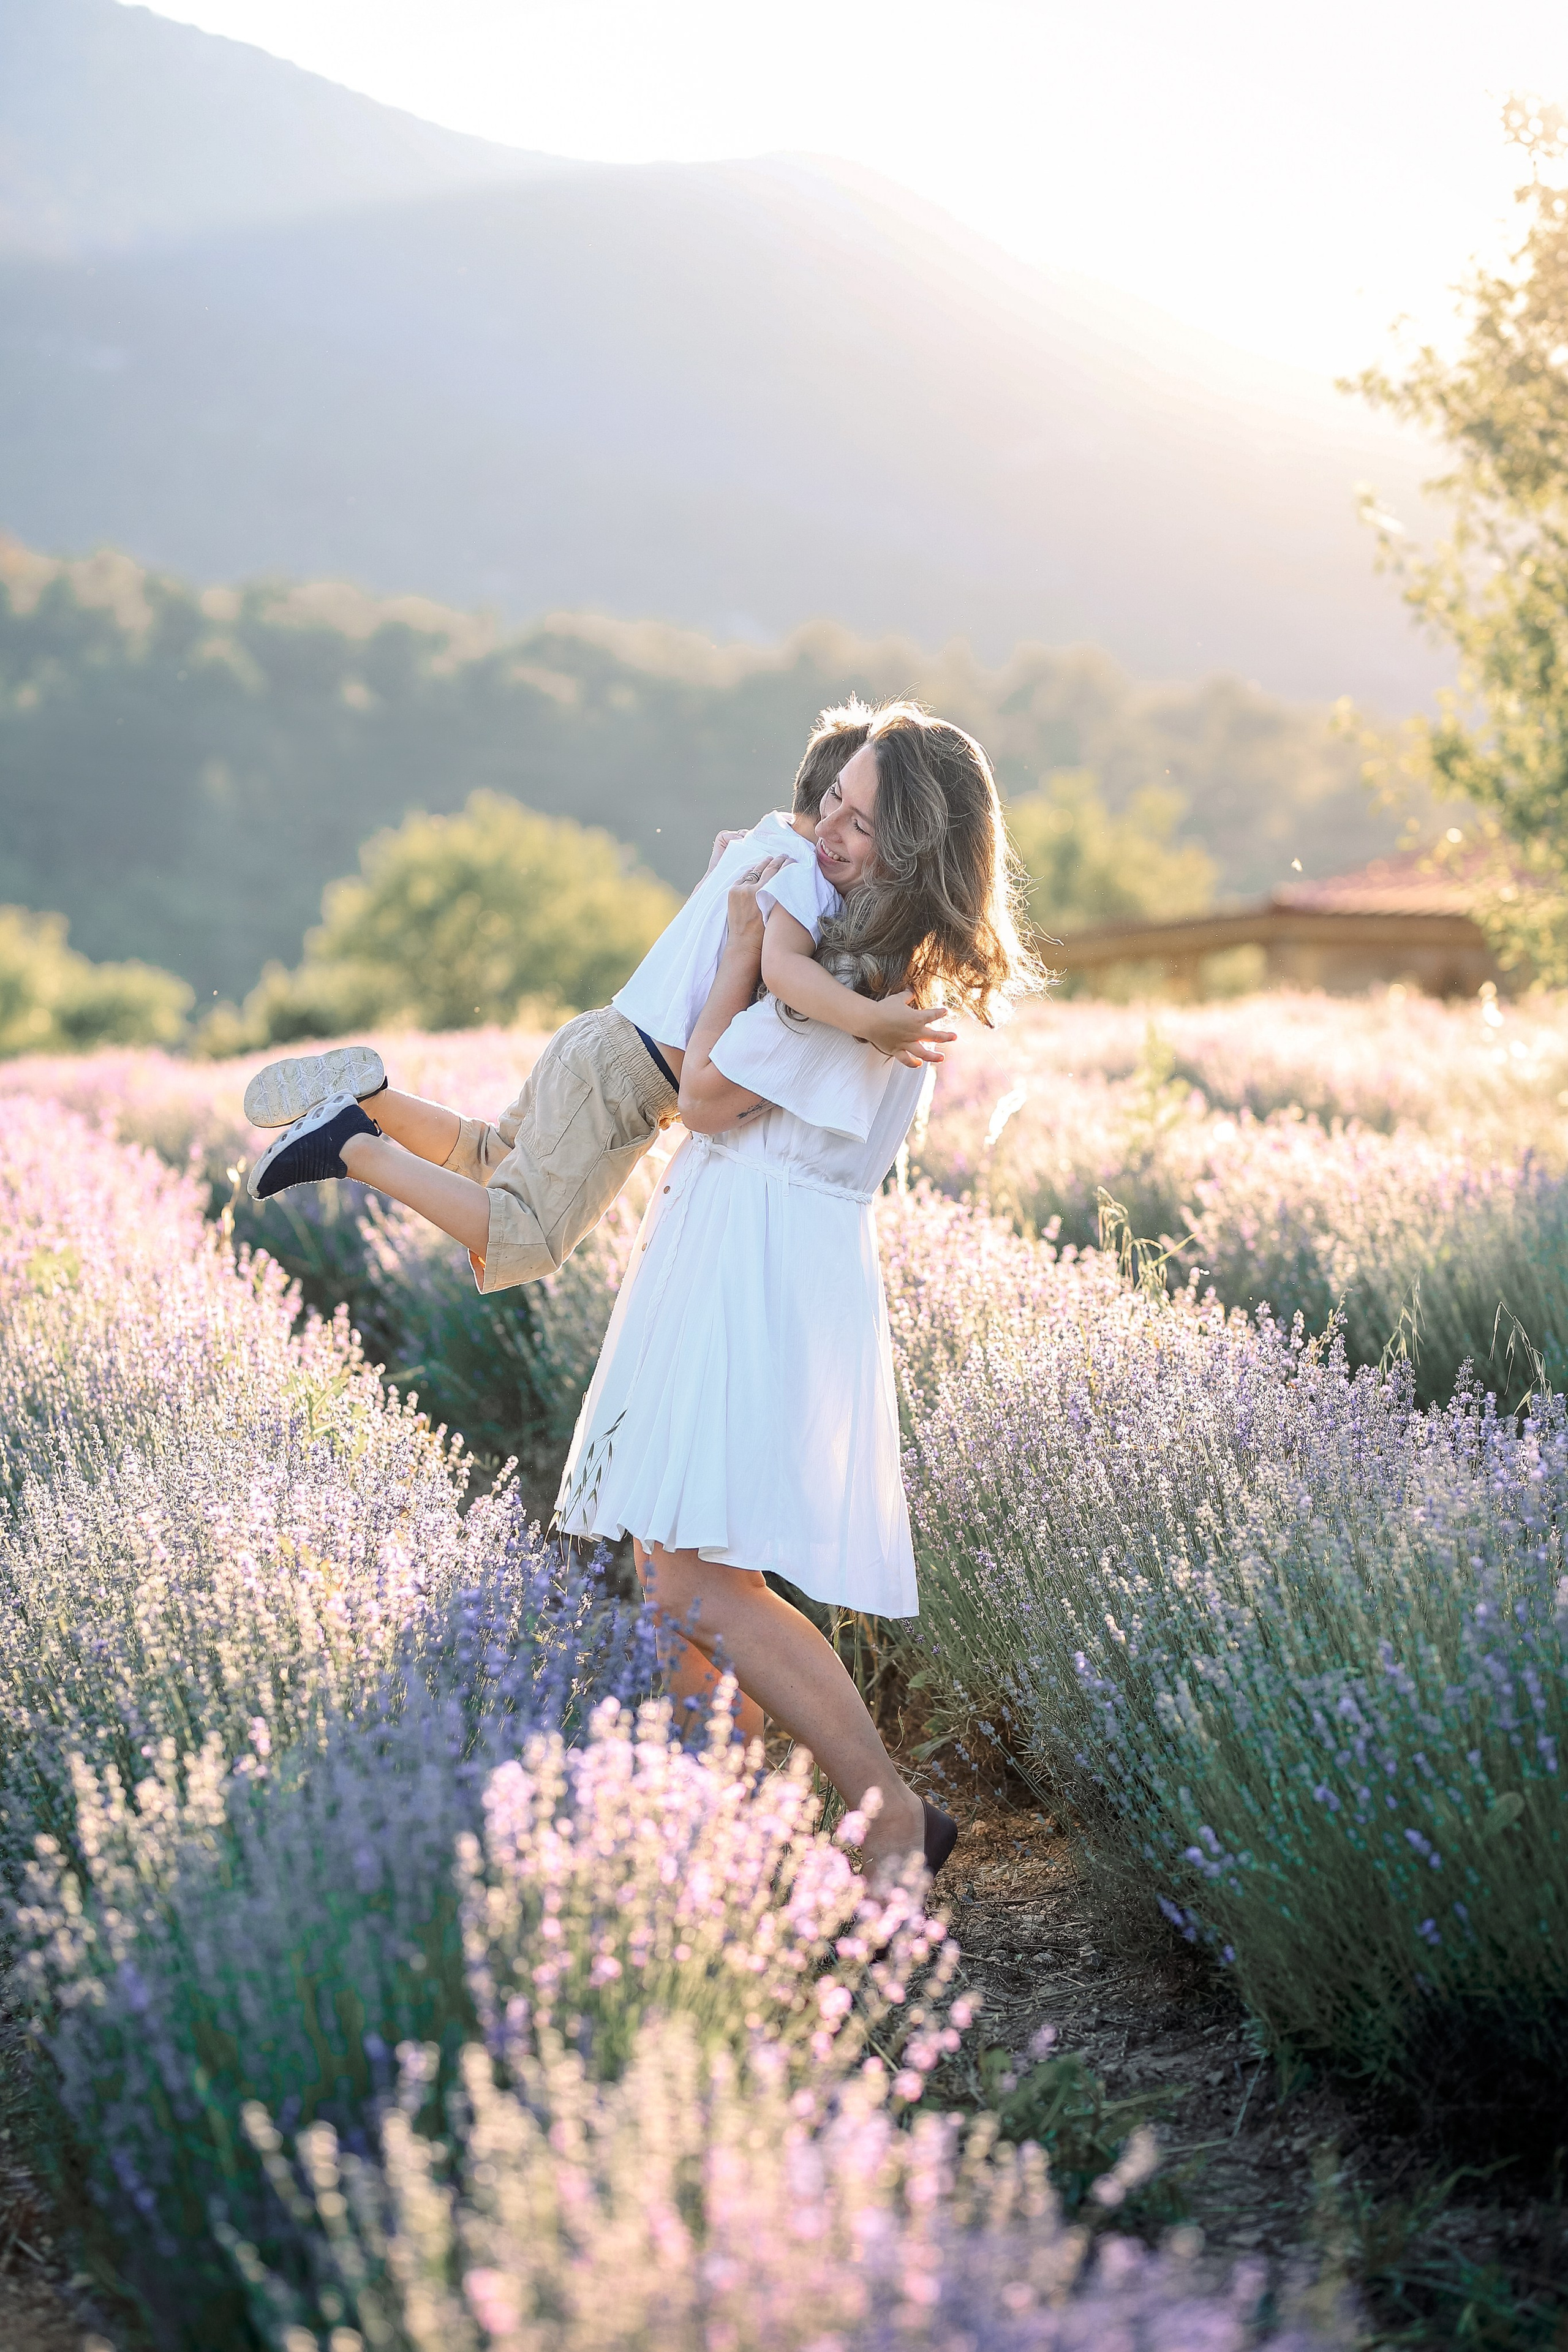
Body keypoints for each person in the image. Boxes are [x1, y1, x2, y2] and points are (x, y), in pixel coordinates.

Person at [556, 703, 1041, 1883]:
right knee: (672, 1559)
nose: (831, 831)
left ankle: (889, 1814)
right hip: (743, 1239)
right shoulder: (856, 950)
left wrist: (737, 953)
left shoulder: (872, 968)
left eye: (862, 821)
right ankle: (704, 1830)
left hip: (762, 1257)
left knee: (698, 1573)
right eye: (832, 803)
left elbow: (710, 1097)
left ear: (918, 843)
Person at [240, 704, 949, 1287]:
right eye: (844, 812)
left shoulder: (752, 843)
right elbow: (794, 976)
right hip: (632, 1079)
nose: (838, 830)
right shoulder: (807, 885)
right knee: (527, 1237)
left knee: (490, 1154)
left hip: (601, 1035)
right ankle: (354, 1146)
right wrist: (868, 1016)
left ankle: (369, 1096)